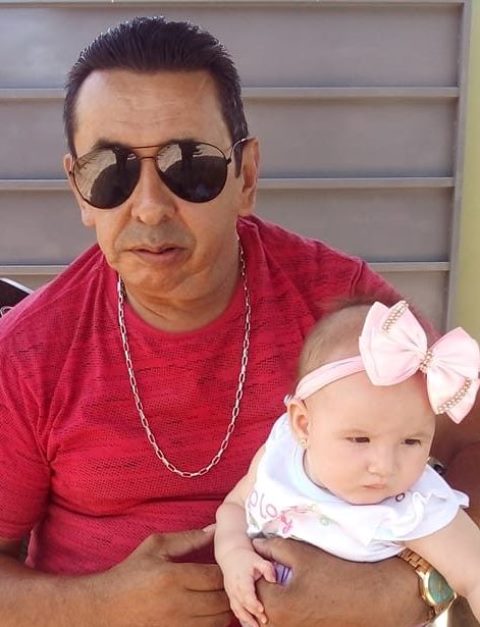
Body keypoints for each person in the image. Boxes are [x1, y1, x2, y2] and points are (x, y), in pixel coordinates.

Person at [0, 14, 479, 627]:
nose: (149, 207)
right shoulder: (29, 353)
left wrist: (401, 588)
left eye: (188, 166)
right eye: (110, 172)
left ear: (245, 176)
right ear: (78, 189)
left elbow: (472, 447)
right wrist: (101, 605)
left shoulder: (344, 314)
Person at [215, 300, 480, 627]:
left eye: (411, 442)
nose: (384, 466)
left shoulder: (415, 504)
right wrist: (234, 554)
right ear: (303, 425)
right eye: (359, 439)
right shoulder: (281, 453)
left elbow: (474, 573)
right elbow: (234, 507)